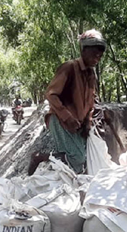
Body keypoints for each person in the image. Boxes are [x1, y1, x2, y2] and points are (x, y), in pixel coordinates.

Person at [38, 29, 106, 174]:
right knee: (76, 158)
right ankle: (39, 158)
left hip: (78, 124)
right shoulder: (69, 68)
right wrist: (67, 117)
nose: (98, 56)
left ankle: (70, 183)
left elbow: (90, 101)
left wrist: (88, 121)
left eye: (100, 54)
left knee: (80, 158)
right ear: (84, 50)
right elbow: (51, 94)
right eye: (95, 51)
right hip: (60, 120)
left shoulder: (91, 75)